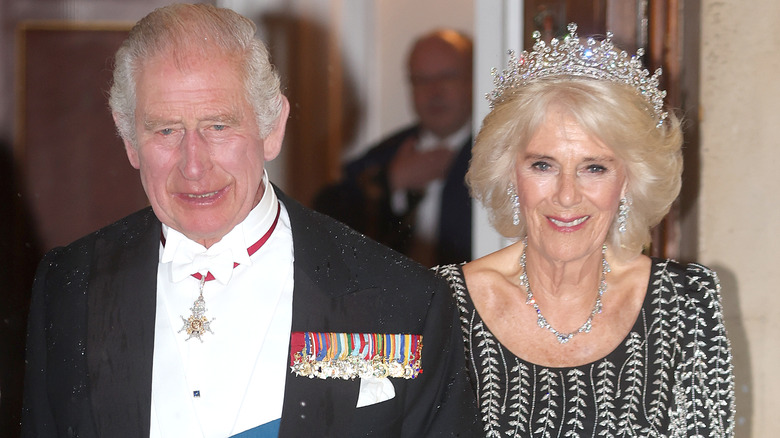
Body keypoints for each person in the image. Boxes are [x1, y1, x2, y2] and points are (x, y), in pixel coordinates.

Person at [21, 4, 478, 437]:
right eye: (165, 130)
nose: (193, 165)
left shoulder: (403, 300)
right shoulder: (70, 285)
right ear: (128, 138)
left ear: (272, 126)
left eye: (218, 126)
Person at [435, 24, 735, 437]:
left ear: (630, 179)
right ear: (509, 173)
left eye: (595, 168)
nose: (566, 195)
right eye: (543, 164)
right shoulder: (442, 305)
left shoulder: (684, 305)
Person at [314, 29, 473, 267]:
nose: (434, 92)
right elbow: (323, 216)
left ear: (474, 79)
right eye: (422, 80)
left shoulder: (502, 152)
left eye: (447, 77)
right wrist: (391, 180)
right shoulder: (387, 154)